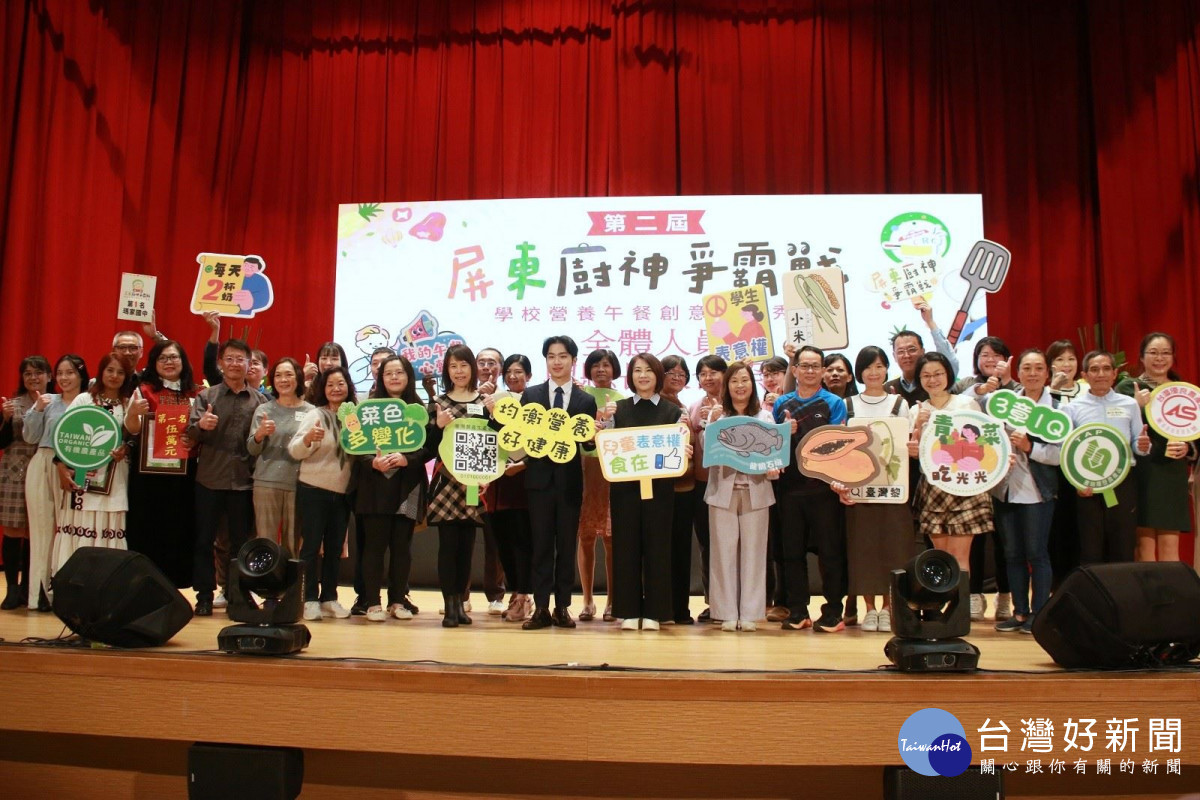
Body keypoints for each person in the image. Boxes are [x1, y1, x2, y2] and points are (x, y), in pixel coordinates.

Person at [601, 354, 686, 631]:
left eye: (649, 370)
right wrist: (603, 425)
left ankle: (656, 611)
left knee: (657, 547)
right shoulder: (619, 409)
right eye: (637, 370)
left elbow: (678, 454)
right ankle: (627, 610)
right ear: (630, 376)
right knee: (626, 547)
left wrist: (683, 449)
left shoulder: (672, 412)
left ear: (658, 375)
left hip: (661, 491)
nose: (643, 376)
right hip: (625, 491)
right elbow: (606, 445)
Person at [520, 336, 598, 630]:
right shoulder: (531, 395)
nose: (557, 361)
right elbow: (525, 439)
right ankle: (540, 607)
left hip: (569, 483)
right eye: (551, 356)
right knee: (540, 545)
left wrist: (592, 439)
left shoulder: (585, 400)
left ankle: (562, 607)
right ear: (546, 361)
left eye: (563, 356)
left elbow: (586, 447)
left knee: (566, 546)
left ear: (573, 360)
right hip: (539, 482)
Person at [186, 338, 268, 616]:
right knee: (204, 540)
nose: (235, 364)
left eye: (240, 359)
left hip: (244, 482)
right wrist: (202, 426)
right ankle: (204, 596)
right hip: (209, 479)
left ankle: (237, 594)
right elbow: (191, 432)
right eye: (229, 359)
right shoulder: (207, 397)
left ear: (249, 364)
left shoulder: (261, 401)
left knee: (240, 543)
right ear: (221, 363)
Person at [838, 346, 915, 633]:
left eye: (880, 366)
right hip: (859, 490)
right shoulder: (848, 405)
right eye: (868, 367)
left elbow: (906, 445)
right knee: (863, 548)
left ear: (886, 370)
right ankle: (869, 608)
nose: (874, 372)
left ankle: (888, 606)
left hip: (894, 487)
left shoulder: (899, 404)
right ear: (859, 372)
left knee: (894, 547)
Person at [772, 345, 849, 632]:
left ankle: (832, 612)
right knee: (791, 553)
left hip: (824, 490)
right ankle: (798, 611)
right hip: (789, 490)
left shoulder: (833, 403)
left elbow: (840, 446)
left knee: (830, 553)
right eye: (804, 366)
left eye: (816, 366)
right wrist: (784, 432)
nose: (810, 371)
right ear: (794, 370)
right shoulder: (782, 404)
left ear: (823, 370)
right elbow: (775, 448)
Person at [353, 355, 434, 622]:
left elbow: (427, 448)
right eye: (389, 373)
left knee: (402, 547)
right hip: (374, 485)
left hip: (407, 486)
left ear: (409, 377)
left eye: (400, 372)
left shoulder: (417, 408)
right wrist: (371, 461)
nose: (395, 377)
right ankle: (373, 602)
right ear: (381, 377)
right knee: (374, 547)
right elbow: (354, 444)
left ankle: (398, 600)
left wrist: (406, 459)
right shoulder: (368, 408)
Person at [986, 349, 1061, 633]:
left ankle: (1040, 614)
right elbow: (989, 439)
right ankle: (1019, 613)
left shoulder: (1057, 409)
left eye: (1038, 368)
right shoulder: (1005, 404)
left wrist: (1032, 448)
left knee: (1036, 552)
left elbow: (1061, 455)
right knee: (1012, 553)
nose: (1032, 373)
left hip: (1039, 492)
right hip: (1005, 489)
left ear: (1047, 373)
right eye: (1027, 368)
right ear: (1018, 374)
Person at [704, 361, 777, 632]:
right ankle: (725, 612)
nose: (740, 385)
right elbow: (708, 456)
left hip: (757, 491)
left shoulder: (766, 418)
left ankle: (750, 612)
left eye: (744, 380)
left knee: (754, 553)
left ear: (752, 384)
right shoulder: (718, 418)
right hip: (722, 491)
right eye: (734, 381)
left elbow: (774, 457)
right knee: (722, 553)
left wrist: (774, 466)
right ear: (727, 386)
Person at [949, 335, 1017, 622]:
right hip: (970, 474)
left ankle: (1005, 596)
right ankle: (974, 595)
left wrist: (1006, 385)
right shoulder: (967, 385)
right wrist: (982, 389)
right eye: (984, 355)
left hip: (1008, 475)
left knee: (1005, 542)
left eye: (996, 354)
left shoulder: (1017, 388)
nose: (990, 360)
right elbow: (954, 403)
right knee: (972, 541)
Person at [907, 352, 992, 580]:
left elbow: (984, 443)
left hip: (964, 484)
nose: (932, 380)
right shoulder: (915, 410)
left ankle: (960, 612)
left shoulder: (966, 404)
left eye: (938, 374)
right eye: (926, 375)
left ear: (948, 375)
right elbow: (914, 451)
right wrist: (917, 427)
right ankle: (944, 608)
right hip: (933, 485)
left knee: (960, 555)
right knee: (940, 555)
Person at [1062, 351, 1151, 564]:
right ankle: (1093, 597)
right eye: (1094, 369)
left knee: (1123, 546)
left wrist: (1143, 445)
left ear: (1115, 373)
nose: (1100, 374)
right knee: (1090, 549)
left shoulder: (1129, 404)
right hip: (1087, 486)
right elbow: (1066, 451)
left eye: (1106, 369)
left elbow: (1138, 446)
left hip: (1123, 483)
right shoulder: (1072, 408)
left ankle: (1122, 597)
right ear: (1084, 375)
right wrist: (1076, 482)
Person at [124, 340, 200, 587]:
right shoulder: (143, 390)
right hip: (148, 476)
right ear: (154, 364)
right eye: (163, 358)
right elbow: (132, 430)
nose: (169, 362)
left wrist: (194, 437)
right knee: (148, 527)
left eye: (174, 357)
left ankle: (177, 582)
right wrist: (134, 413)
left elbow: (201, 431)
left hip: (184, 475)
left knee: (180, 527)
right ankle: (144, 582)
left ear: (183, 361)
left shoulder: (196, 393)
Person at [51, 353, 136, 575]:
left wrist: (125, 447)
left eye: (120, 372)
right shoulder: (84, 400)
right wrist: (60, 467)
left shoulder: (129, 403)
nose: (115, 376)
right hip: (81, 478)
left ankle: (105, 588)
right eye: (110, 370)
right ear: (101, 372)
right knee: (78, 529)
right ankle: (72, 586)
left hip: (115, 478)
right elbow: (64, 436)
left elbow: (134, 437)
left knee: (110, 527)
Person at [1116, 333, 1195, 563]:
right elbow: (1115, 427)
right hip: (1142, 471)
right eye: (1153, 353)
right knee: (1144, 545)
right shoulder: (1127, 388)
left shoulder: (1184, 390)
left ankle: (1172, 599)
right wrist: (1135, 407)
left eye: (1165, 353)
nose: (1159, 358)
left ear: (1173, 357)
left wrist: (1188, 449)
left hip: (1172, 472)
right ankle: (1147, 599)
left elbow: (1195, 432)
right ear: (1141, 357)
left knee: (1171, 546)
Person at [289, 366, 357, 621]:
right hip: (313, 489)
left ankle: (329, 597)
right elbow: (294, 451)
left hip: (342, 493)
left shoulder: (355, 417)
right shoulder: (314, 414)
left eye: (341, 384)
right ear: (323, 389)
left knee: (334, 548)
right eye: (330, 385)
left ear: (349, 386)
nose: (336, 389)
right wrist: (308, 439)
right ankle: (308, 599)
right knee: (310, 547)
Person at [426, 345, 486, 628]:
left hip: (474, 484)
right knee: (448, 547)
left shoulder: (484, 402)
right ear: (447, 370)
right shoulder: (438, 402)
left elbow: (491, 444)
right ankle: (449, 604)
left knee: (467, 546)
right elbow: (426, 448)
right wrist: (437, 425)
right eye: (453, 366)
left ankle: (461, 603)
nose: (459, 371)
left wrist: (487, 475)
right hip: (447, 482)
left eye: (463, 365)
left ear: (472, 368)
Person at [21, 355, 87, 610]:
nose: (64, 378)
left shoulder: (89, 402)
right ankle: (38, 597)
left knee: (69, 530)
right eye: (60, 373)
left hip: (74, 467)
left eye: (69, 372)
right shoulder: (48, 401)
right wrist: (37, 409)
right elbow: (30, 437)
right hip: (44, 461)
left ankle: (64, 594)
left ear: (81, 375)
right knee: (41, 530)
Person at [246, 358, 313, 554]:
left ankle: (291, 585)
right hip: (266, 482)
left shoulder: (311, 411)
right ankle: (266, 584)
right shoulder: (264, 410)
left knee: (293, 544)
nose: (283, 380)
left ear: (298, 378)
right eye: (278, 375)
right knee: (265, 541)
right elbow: (252, 449)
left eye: (289, 374)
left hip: (298, 484)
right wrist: (260, 434)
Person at [0, 356, 52, 609]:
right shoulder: (13, 404)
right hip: (15, 471)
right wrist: (5, 419)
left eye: (38, 372)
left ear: (49, 376)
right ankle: (11, 588)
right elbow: (2, 442)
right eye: (28, 373)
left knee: (36, 531)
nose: (33, 377)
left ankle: (30, 588)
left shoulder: (56, 402)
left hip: (43, 471)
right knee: (12, 530)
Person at [488, 354, 535, 622]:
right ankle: (516, 593)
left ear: (528, 376)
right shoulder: (494, 401)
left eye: (519, 372)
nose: (513, 376)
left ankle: (524, 595)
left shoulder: (535, 402)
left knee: (522, 541)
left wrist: (524, 463)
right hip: (497, 481)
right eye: (509, 372)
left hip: (524, 480)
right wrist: (490, 411)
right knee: (502, 542)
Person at [577, 349, 620, 622]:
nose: (601, 369)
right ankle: (587, 600)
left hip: (613, 470)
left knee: (612, 539)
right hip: (583, 468)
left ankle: (613, 601)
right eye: (595, 365)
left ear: (614, 369)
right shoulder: (580, 396)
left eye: (606, 365)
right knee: (585, 537)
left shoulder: (625, 400)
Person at [686, 354, 727, 622]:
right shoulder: (694, 406)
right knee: (708, 546)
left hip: (733, 483)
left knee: (732, 545)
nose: (708, 377)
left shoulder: (735, 402)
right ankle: (714, 601)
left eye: (714, 372)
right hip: (702, 484)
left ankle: (739, 600)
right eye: (703, 373)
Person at [660, 354, 699, 623]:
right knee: (661, 551)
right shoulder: (655, 404)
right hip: (661, 489)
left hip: (686, 487)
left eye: (681, 373)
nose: (677, 376)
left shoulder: (685, 407)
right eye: (670, 372)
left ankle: (680, 608)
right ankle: (663, 608)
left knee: (681, 551)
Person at [469, 346, 507, 615]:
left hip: (498, 476)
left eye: (491, 362)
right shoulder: (469, 396)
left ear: (500, 368)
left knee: (495, 538)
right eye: (481, 362)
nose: (486, 367)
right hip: (468, 474)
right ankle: (461, 595)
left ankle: (496, 594)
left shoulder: (509, 399)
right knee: (463, 533)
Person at [1044, 339, 1084, 587]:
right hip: (1051, 470)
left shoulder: (1088, 390)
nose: (1066, 364)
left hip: (1082, 470)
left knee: (1080, 530)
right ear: (1050, 365)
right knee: (1054, 532)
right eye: (1059, 359)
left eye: (1070, 359)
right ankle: (1057, 587)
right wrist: (1050, 391)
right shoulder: (1044, 394)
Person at [758, 354, 790, 620]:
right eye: (766, 374)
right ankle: (765, 598)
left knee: (783, 543)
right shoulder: (758, 406)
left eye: (775, 373)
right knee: (766, 543)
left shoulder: (790, 401)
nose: (770, 379)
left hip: (788, 482)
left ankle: (784, 599)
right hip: (762, 481)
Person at [883, 300, 961, 405]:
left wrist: (930, 322)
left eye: (912, 349)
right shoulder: (888, 389)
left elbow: (949, 360)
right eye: (901, 351)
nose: (907, 355)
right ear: (894, 356)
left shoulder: (935, 382)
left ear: (922, 352)